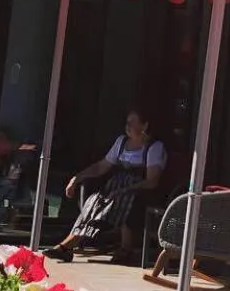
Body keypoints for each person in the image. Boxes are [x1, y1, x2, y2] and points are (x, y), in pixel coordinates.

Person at [44, 109, 166, 262]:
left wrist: (126, 189)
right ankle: (68, 245)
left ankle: (124, 248)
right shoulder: (121, 142)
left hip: (139, 191)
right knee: (94, 200)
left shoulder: (154, 147)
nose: (127, 126)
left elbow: (152, 181)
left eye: (132, 122)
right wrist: (77, 178)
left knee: (119, 200)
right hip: (115, 187)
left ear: (145, 125)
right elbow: (102, 166)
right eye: (126, 122)